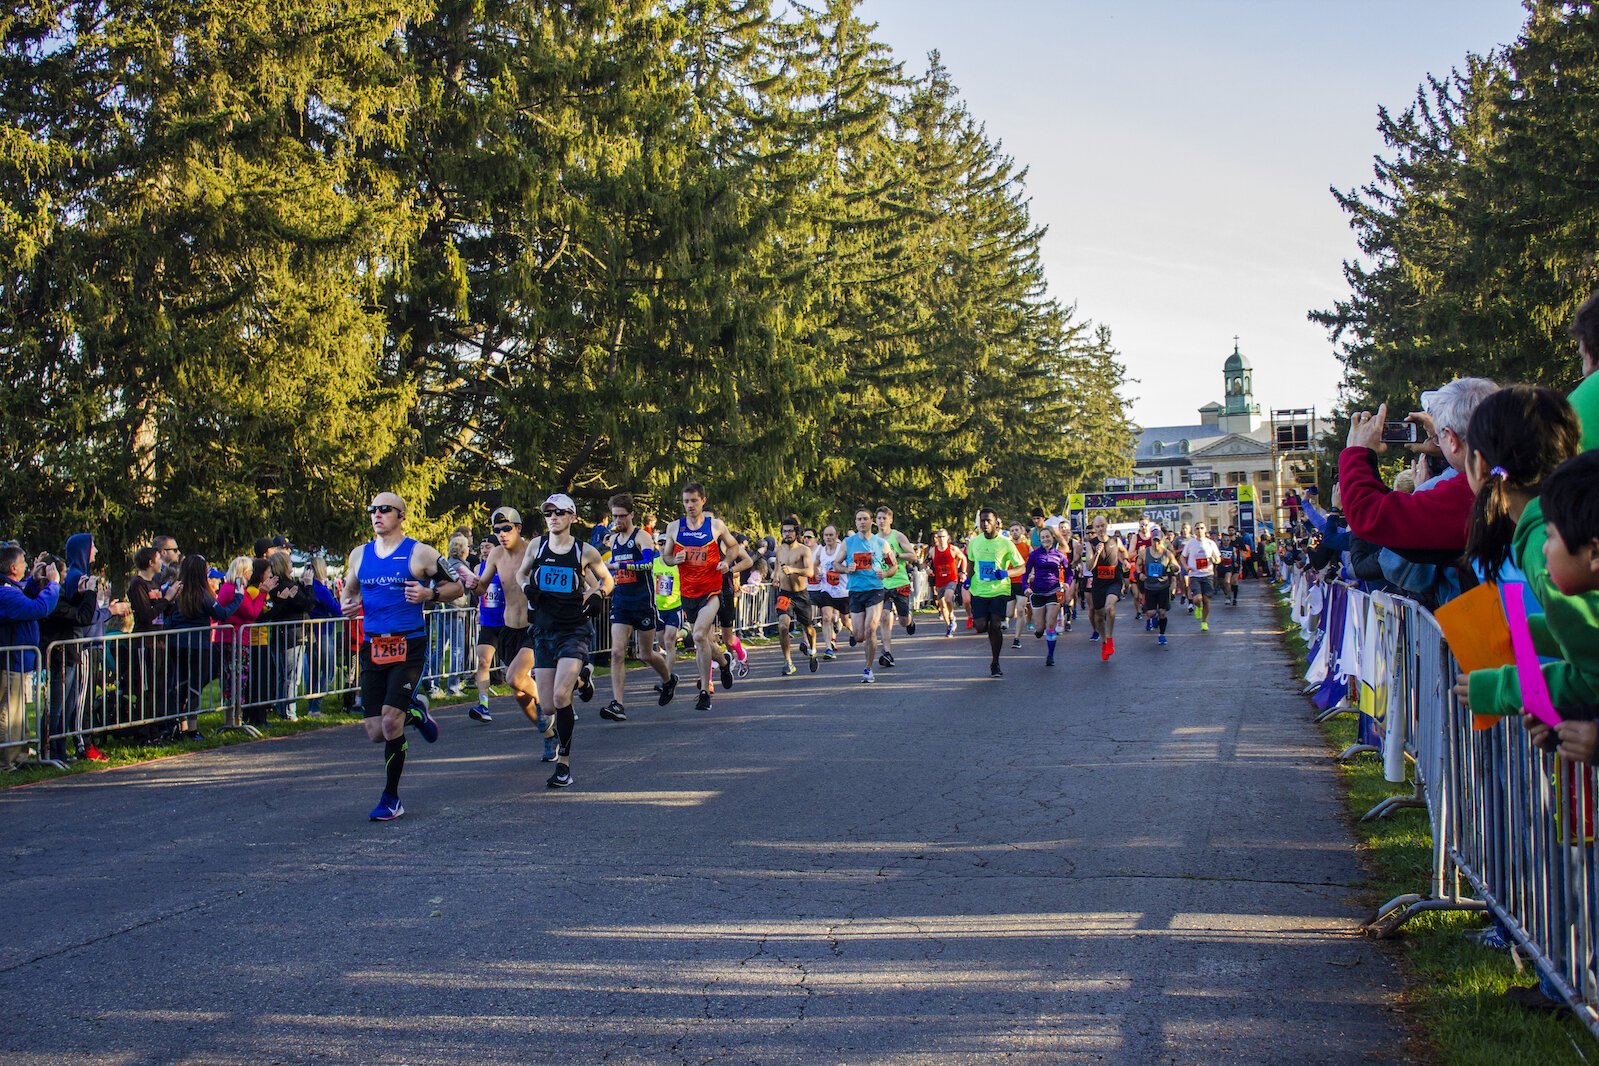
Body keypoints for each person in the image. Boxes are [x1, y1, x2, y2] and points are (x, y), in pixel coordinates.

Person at [340, 492, 466, 820]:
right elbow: (349, 590)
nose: (377, 514)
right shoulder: (359, 555)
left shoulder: (420, 553)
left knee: (389, 720)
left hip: (408, 646)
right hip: (373, 646)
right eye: (373, 509)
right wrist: (347, 604)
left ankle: (391, 797)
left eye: (385, 510)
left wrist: (430, 593)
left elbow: (457, 587)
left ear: (401, 515)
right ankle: (417, 713)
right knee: (375, 731)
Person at [516, 493, 614, 788]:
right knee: (547, 706)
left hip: (573, 629)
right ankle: (583, 680)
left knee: (561, 697)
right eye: (548, 513)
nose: (553, 517)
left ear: (572, 517)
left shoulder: (584, 551)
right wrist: (526, 588)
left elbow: (607, 580)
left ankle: (564, 765)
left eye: (559, 512)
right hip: (544, 630)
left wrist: (598, 594)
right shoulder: (537, 545)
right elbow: (522, 573)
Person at [1339, 378, 1497, 552]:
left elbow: (1372, 516)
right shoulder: (1512, 471)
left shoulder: (1474, 490)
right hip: (1516, 580)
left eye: (1441, 435)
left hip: (1502, 581)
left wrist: (1357, 452)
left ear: (1452, 439)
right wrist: (1441, 446)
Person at [664, 482, 749, 711]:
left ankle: (704, 691)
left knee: (699, 635)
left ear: (703, 500)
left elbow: (733, 548)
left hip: (712, 590)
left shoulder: (716, 525)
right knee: (703, 639)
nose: (689, 505)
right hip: (688, 592)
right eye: (685, 501)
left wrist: (726, 562)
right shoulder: (674, 527)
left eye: (693, 500)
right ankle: (723, 662)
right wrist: (675, 560)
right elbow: (666, 557)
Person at [601, 493, 678, 720]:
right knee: (617, 652)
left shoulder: (641, 536)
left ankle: (668, 680)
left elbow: (647, 563)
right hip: (622, 602)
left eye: (622, 516)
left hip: (643, 603)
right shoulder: (614, 540)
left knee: (645, 653)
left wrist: (619, 564)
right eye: (614, 516)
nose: (617, 521)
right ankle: (618, 704)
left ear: (631, 514)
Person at [164, 553, 246, 739]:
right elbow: (222, 614)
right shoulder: (202, 593)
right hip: (197, 644)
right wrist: (238, 598)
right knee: (194, 686)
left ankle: (180, 726)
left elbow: (168, 615)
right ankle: (191, 729)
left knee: (180, 684)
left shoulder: (176, 590)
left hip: (177, 643)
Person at [0, 548, 59, 768]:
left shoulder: (12, 589)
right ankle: (6, 761)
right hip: (9, 661)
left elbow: (25, 594)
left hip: (19, 661)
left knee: (19, 713)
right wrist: (53, 584)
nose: (26, 566)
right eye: (23, 563)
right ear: (13, 568)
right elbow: (38, 607)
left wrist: (34, 581)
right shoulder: (5, 593)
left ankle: (19, 756)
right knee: (8, 713)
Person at [965, 509, 1024, 676]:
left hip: (999, 590)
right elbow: (971, 561)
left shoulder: (1006, 543)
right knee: (981, 625)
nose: (985, 524)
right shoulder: (975, 542)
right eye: (982, 521)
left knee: (996, 625)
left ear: (996, 523)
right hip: (979, 590)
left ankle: (995, 662)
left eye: (988, 521)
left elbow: (1021, 567)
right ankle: (989, 623)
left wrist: (1006, 573)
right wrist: (968, 578)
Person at [839, 509, 895, 684]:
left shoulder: (881, 543)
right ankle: (867, 648)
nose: (862, 522)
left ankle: (868, 669)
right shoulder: (848, 543)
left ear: (871, 522)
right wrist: (846, 569)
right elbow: (835, 564)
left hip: (875, 590)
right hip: (856, 591)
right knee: (858, 636)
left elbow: (893, 566)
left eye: (865, 519)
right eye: (859, 519)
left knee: (871, 628)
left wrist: (885, 575)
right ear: (855, 523)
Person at [773, 515, 818, 675]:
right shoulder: (779, 549)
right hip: (785, 594)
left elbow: (810, 571)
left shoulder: (804, 550)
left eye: (790, 531)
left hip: (801, 594)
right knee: (783, 626)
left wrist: (794, 570)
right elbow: (778, 567)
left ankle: (813, 650)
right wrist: (775, 576)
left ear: (796, 533)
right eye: (784, 531)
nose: (787, 534)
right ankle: (788, 661)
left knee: (808, 628)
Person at [874, 506, 917, 667]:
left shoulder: (897, 536)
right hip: (881, 584)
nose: (881, 521)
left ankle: (910, 620)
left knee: (903, 621)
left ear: (890, 520)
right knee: (884, 617)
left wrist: (896, 555)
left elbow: (913, 555)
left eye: (884, 518)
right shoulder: (873, 539)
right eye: (879, 518)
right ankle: (887, 653)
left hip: (900, 582)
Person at [1023, 525, 1068, 666]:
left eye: (1048, 536)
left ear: (1052, 537)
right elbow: (1025, 573)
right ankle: (1038, 630)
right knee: (1039, 627)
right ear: (1040, 540)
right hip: (1037, 592)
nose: (1045, 539)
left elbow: (1069, 571)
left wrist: (1066, 582)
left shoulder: (1059, 554)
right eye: (1043, 537)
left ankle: (1050, 656)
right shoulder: (1034, 555)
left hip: (1053, 591)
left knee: (1050, 623)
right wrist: (1025, 587)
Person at [1085, 516, 1127, 661]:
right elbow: (1089, 566)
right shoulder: (1091, 544)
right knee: (1099, 617)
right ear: (1094, 528)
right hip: (1098, 583)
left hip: (1114, 581)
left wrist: (1125, 561)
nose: (1100, 529)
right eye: (1097, 527)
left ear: (1106, 526)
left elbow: (1123, 552)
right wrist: (1097, 552)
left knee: (1110, 608)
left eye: (1102, 526)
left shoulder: (1115, 540)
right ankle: (1104, 641)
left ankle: (1109, 638)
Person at [812, 525, 850, 657]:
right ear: (823, 537)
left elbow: (851, 564)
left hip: (843, 591)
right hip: (826, 589)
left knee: (845, 620)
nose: (828, 537)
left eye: (831, 535)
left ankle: (853, 632)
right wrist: (817, 573)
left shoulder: (842, 549)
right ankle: (828, 648)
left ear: (836, 536)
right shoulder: (820, 551)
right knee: (826, 617)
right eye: (826, 535)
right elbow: (815, 564)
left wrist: (846, 570)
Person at [1140, 530, 1180, 646]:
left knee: (1163, 612)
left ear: (1162, 541)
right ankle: (1153, 615)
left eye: (1158, 541)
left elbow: (1176, 566)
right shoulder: (1144, 553)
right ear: (1151, 540)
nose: (1156, 543)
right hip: (1150, 587)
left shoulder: (1167, 554)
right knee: (1151, 613)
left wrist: (1174, 567)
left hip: (1163, 586)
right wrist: (1139, 574)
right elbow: (1138, 564)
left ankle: (1162, 635)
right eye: (1154, 540)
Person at [926, 528, 967, 637]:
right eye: (939, 537)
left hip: (951, 578)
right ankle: (949, 626)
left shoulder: (953, 549)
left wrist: (963, 572)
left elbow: (963, 558)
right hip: (939, 580)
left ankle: (952, 615)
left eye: (943, 536)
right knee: (942, 605)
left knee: (948, 598)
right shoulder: (932, 550)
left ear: (947, 538)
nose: (941, 539)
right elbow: (927, 562)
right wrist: (928, 569)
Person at [1182, 522, 1221, 632]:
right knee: (1198, 599)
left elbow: (1218, 558)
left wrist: (1215, 560)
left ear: (1205, 530)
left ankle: (1204, 621)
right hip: (1194, 574)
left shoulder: (1210, 543)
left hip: (1207, 574)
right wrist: (1186, 566)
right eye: (1197, 528)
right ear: (1194, 531)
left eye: (1201, 528)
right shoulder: (1190, 543)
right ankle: (1198, 607)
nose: (1199, 530)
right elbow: (1182, 557)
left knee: (1206, 600)